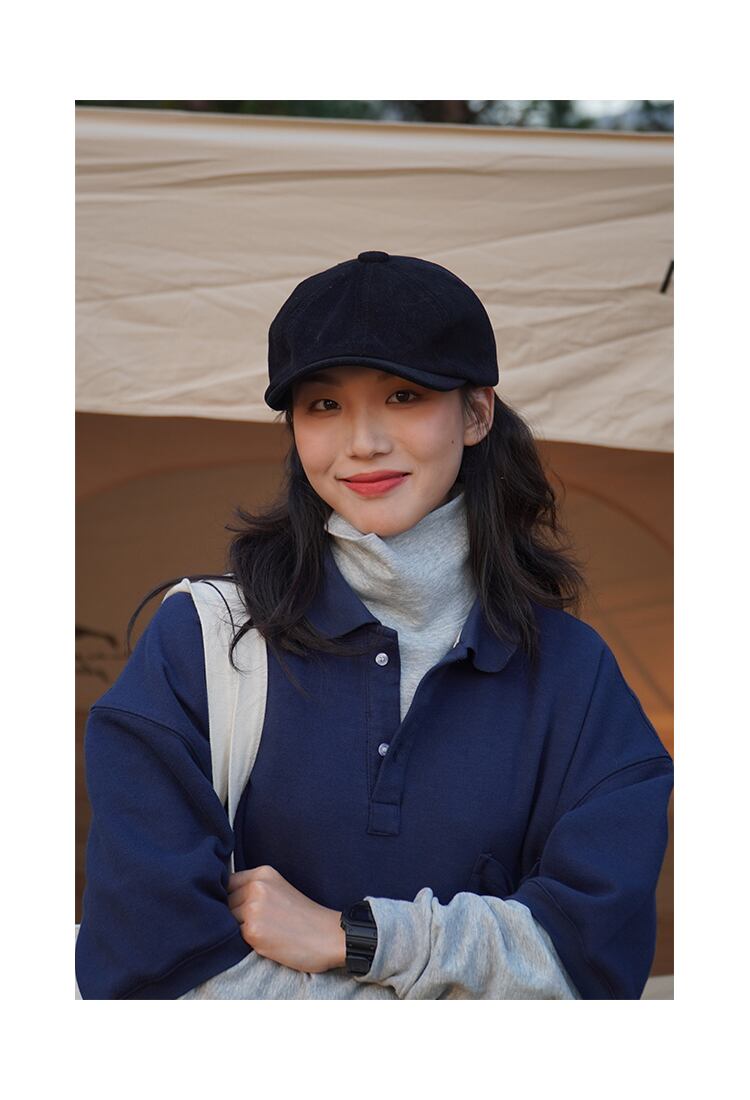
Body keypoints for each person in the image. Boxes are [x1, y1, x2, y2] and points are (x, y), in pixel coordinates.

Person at [75, 251, 674, 1000]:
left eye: (403, 394)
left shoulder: (574, 673)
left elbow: (589, 967)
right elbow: (143, 967)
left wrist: (356, 937)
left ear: (477, 413)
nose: (362, 442)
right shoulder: (202, 641)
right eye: (323, 405)